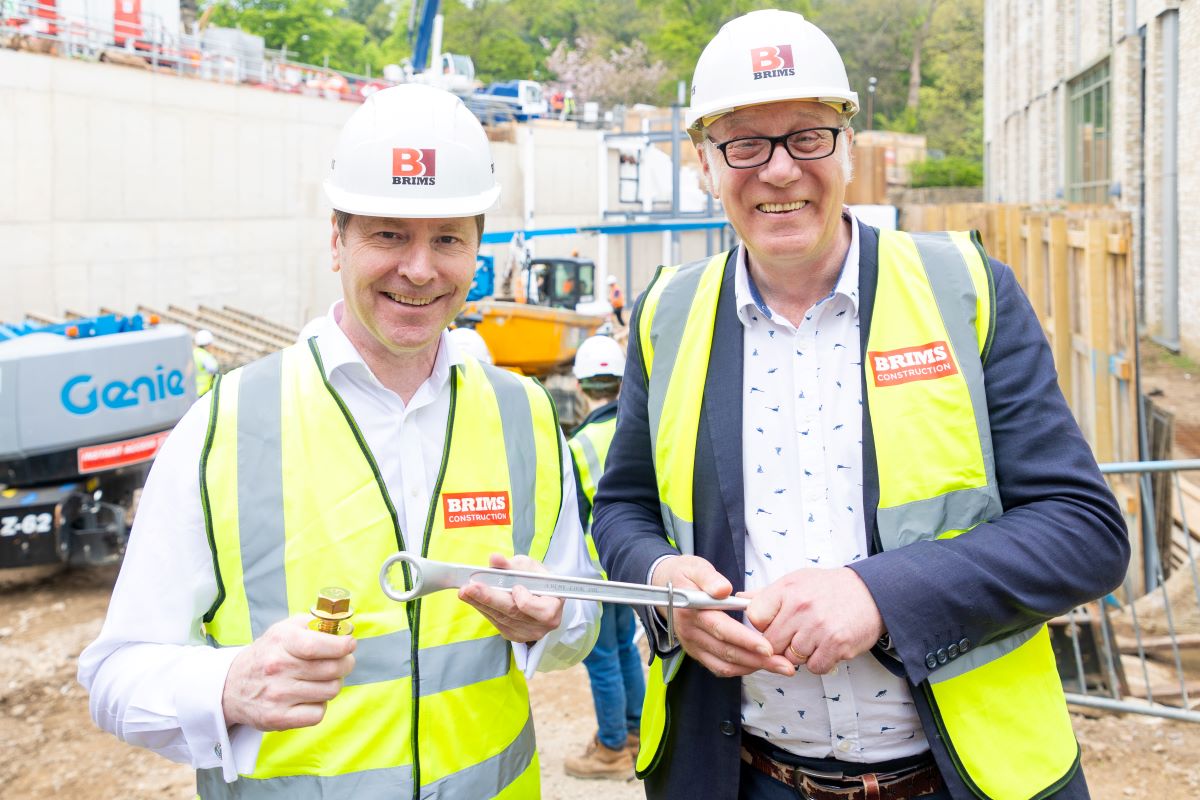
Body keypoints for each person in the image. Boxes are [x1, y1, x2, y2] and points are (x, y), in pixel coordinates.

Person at [591, 10, 1129, 800]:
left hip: (960, 782)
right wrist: (667, 586)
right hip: (745, 778)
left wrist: (880, 594)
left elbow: (1082, 531)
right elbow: (623, 510)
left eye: (807, 136)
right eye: (744, 143)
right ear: (707, 163)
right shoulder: (666, 316)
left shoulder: (964, 290)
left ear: (847, 146)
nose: (779, 171)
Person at [79, 84, 600, 799]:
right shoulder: (225, 426)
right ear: (337, 240)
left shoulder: (526, 416)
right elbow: (115, 675)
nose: (419, 269)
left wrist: (551, 621)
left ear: (478, 248)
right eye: (389, 234)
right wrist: (228, 684)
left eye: (447, 238)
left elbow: (579, 624)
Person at [563, 335, 646, 780]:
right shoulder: (635, 430)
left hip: (595, 573)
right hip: (629, 568)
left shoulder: (576, 446)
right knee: (625, 650)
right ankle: (634, 733)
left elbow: (574, 520)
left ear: (579, 386)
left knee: (601, 658)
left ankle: (612, 748)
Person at [193, 329, 219, 396]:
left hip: (194, 392)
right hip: (204, 392)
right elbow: (214, 368)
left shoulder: (194, 353)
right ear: (208, 344)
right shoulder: (204, 355)